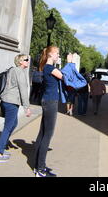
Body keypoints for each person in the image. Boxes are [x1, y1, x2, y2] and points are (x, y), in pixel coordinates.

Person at [33, 46, 73, 177]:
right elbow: (66, 77)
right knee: (47, 135)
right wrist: (70, 63)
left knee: (42, 133)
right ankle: (40, 169)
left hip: (47, 100)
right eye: (57, 54)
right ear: (50, 55)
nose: (58, 56)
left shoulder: (46, 68)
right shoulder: (50, 68)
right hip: (50, 102)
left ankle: (38, 166)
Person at [0, 54, 31, 163]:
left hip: (6, 100)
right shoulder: (20, 72)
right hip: (11, 102)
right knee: (8, 127)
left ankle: (3, 145)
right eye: (26, 60)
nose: (28, 61)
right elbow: (23, 90)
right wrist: (27, 107)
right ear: (20, 61)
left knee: (13, 124)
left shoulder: (12, 70)